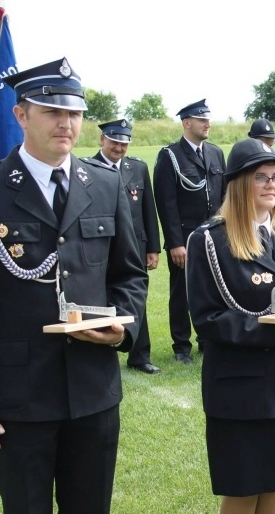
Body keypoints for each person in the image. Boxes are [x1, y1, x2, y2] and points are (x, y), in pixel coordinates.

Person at [0, 58, 147, 513]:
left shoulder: (104, 183)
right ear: (21, 115)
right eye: (51, 111)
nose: (66, 123)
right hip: (18, 395)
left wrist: (124, 328)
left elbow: (129, 275)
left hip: (93, 389)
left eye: (75, 113)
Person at [186, 138, 275, 514]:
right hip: (241, 384)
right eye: (260, 178)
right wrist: (270, 330)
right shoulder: (209, 240)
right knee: (245, 487)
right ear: (238, 185)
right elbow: (207, 318)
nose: (271, 185)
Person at [153, 99, 226, 364]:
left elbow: (224, 197)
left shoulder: (216, 153)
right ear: (187, 123)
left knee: (215, 289)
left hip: (214, 236)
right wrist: (174, 243)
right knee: (181, 292)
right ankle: (181, 345)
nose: (208, 123)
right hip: (185, 238)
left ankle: (208, 339)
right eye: (201, 119)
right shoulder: (170, 155)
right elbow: (166, 203)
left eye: (208, 118)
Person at [92, 119, 161, 374]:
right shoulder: (88, 169)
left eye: (124, 143)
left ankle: (139, 356)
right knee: (100, 298)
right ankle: (100, 349)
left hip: (135, 247)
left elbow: (148, 210)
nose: (119, 148)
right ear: (102, 140)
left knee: (136, 298)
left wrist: (152, 248)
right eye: (114, 142)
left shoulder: (138, 168)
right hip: (102, 247)